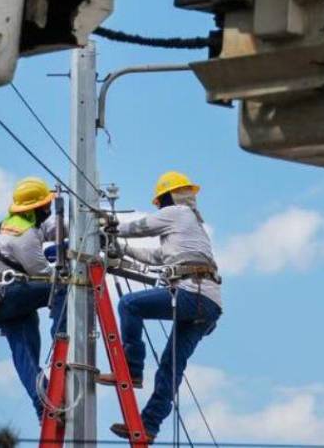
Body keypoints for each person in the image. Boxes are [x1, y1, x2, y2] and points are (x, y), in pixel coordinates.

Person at [100, 171, 222, 443]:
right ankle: (149, 426)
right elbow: (156, 257)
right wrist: (120, 247)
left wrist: (107, 225)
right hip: (207, 304)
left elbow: (141, 226)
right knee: (171, 367)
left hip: (193, 294)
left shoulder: (178, 213)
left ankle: (132, 369)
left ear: (168, 197)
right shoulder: (189, 227)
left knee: (129, 305)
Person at [0, 176, 66, 420]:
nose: (48, 209)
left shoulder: (18, 222)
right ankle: (63, 338)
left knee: (25, 355)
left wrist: (71, 225)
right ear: (39, 208)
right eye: (46, 206)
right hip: (7, 293)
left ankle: (44, 406)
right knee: (63, 288)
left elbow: (51, 229)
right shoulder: (23, 235)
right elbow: (45, 276)